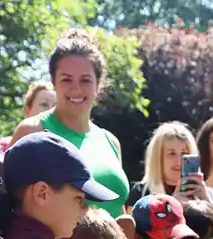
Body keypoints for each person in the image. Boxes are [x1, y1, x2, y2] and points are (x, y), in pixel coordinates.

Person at [8, 30, 129, 219]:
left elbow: (117, 209)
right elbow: (8, 207)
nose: (76, 88)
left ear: (98, 84)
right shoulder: (32, 131)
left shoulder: (111, 142)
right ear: (53, 82)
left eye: (85, 80)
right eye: (66, 79)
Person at [124, 122, 213, 239]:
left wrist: (206, 199)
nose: (178, 161)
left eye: (184, 153)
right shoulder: (141, 192)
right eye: (171, 153)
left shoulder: (202, 192)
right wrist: (173, 204)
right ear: (158, 157)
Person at [0, 81, 56, 152]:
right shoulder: (3, 147)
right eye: (44, 104)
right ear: (27, 110)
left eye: (54, 106)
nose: (50, 110)